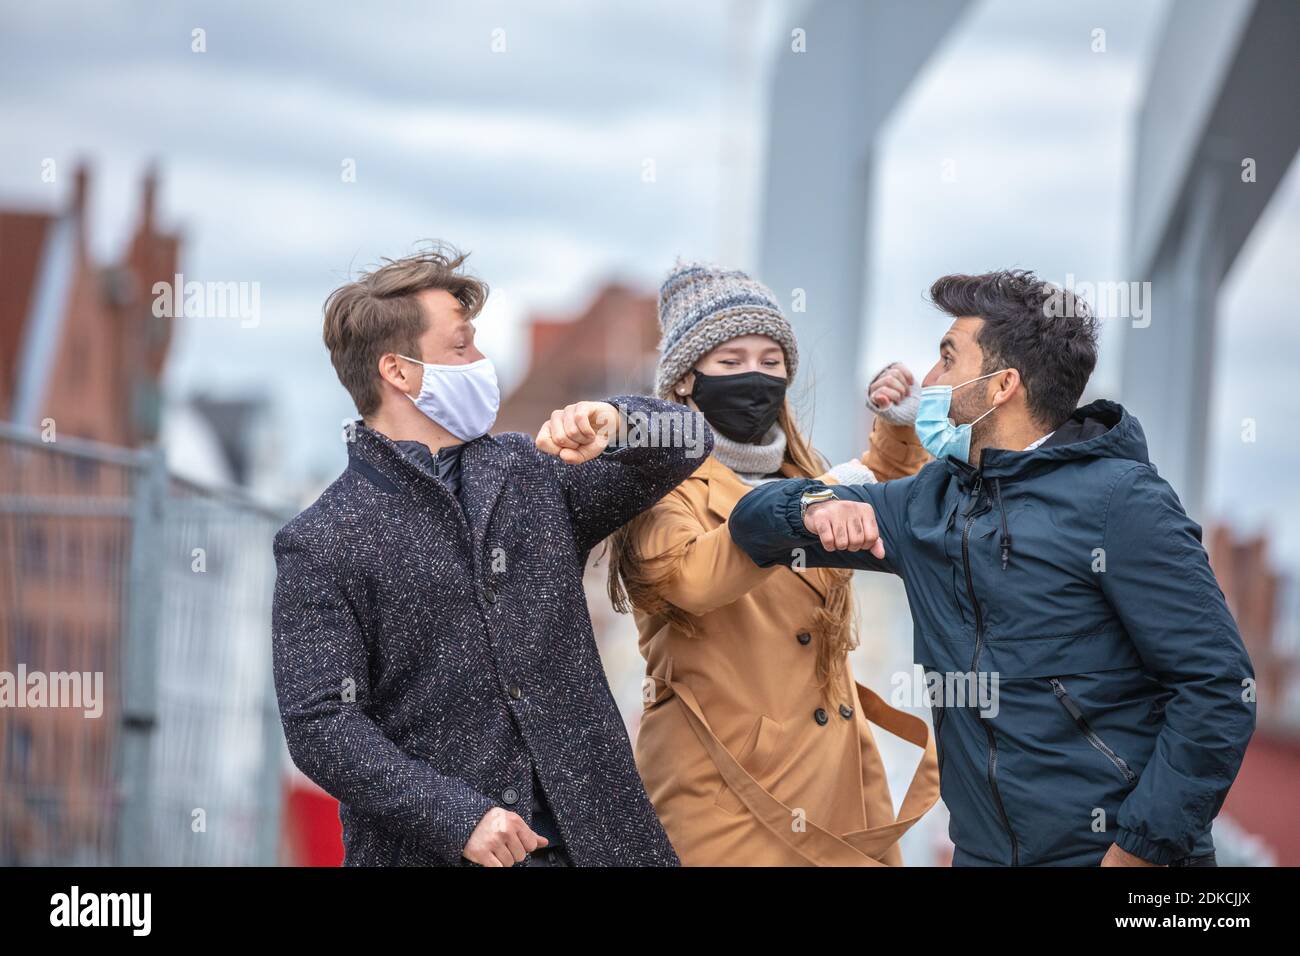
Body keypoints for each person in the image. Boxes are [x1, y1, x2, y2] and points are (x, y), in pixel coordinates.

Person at [729, 269, 1256, 867]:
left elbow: (1217, 689)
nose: (929, 381)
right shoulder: (927, 503)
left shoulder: (1121, 501)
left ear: (1002, 384)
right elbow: (754, 524)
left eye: (948, 359)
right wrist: (817, 509)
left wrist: (1138, 851)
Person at [270, 243, 712, 867]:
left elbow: (690, 440)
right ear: (398, 371)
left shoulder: (528, 473)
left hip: (599, 845)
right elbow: (321, 726)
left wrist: (615, 420)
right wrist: (456, 818)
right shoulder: (322, 539)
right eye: (462, 347)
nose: (482, 363)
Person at [605, 260, 939, 866]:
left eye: (770, 361)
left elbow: (876, 489)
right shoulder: (659, 484)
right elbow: (686, 579)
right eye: (730, 363)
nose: (754, 378)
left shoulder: (805, 475)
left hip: (840, 783)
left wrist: (897, 427)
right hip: (727, 798)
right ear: (684, 380)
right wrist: (782, 518)